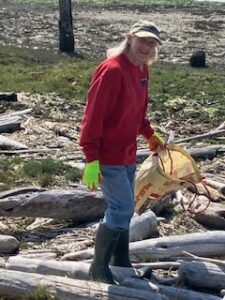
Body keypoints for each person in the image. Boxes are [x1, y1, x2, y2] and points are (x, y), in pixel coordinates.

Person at [79, 20, 164, 284]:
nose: (146, 47)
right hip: (108, 155)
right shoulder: (112, 71)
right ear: (130, 38)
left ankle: (120, 261)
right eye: (143, 40)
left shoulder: (142, 70)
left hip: (127, 153)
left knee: (126, 209)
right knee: (122, 207)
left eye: (152, 43)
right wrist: (91, 158)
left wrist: (149, 134)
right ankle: (98, 267)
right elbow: (92, 117)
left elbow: (138, 113)